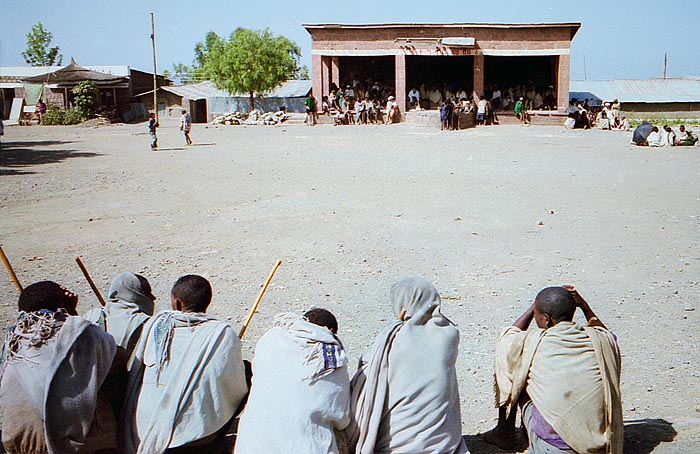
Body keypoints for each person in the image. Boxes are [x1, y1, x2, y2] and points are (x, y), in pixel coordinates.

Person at [484, 286, 622, 454]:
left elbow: (507, 338)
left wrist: (533, 307)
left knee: (515, 368)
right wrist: (584, 306)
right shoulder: (599, 340)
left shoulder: (534, 342)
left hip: (553, 448)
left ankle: (504, 433)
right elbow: (606, 333)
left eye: (536, 314)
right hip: (599, 446)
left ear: (546, 318)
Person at [121, 275, 248, 454]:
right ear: (207, 302)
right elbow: (233, 385)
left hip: (141, 425)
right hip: (190, 434)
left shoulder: (156, 323)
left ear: (177, 303)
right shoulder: (220, 333)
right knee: (245, 374)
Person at [346, 277, 468, 454]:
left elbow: (370, 372)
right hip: (444, 446)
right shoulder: (449, 334)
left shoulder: (396, 339)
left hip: (399, 447)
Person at [0, 281, 121, 453]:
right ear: (62, 305)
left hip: (17, 436)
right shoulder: (82, 332)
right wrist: (72, 313)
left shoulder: (13, 339)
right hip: (73, 441)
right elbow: (115, 358)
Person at [235, 308, 351, 453]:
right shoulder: (332, 362)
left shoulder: (271, 338)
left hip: (250, 445)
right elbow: (341, 418)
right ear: (331, 331)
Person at [83, 272, 156, 358]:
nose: (153, 298)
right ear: (134, 293)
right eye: (147, 293)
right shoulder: (146, 323)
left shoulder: (91, 316)